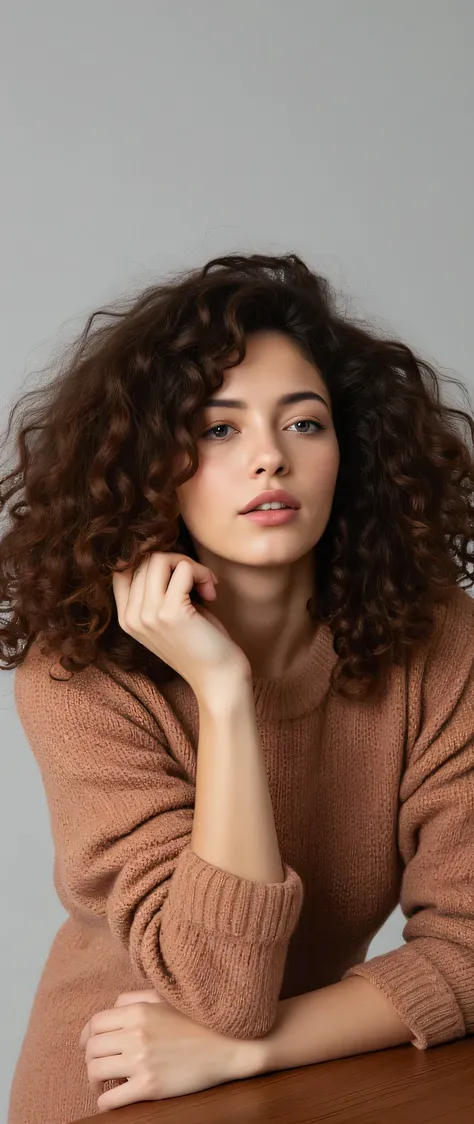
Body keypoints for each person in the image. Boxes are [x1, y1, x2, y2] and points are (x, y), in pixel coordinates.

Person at [2, 252, 473, 1123]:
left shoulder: (438, 642)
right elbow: (219, 989)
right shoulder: (81, 671)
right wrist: (222, 691)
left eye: (304, 424)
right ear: (155, 465)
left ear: (352, 448)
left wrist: (255, 1049)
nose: (269, 459)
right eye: (219, 430)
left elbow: (471, 950)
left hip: (303, 1083)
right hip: (113, 1089)